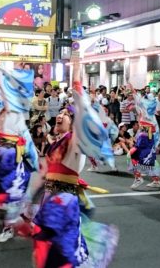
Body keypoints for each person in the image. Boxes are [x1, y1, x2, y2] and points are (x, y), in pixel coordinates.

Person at [32, 64, 118, 268]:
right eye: (60, 114)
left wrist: (77, 85)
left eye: (66, 114)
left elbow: (82, 115)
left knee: (60, 253)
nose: (60, 116)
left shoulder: (74, 141)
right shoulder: (58, 142)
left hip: (64, 202)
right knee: (47, 250)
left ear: (73, 123)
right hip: (51, 198)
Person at [0, 59, 39, 243]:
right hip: (4, 155)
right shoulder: (3, 110)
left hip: (13, 158)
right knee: (1, 194)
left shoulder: (14, 111)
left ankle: (9, 228)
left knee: (9, 195)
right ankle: (28, 221)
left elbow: (3, 89)